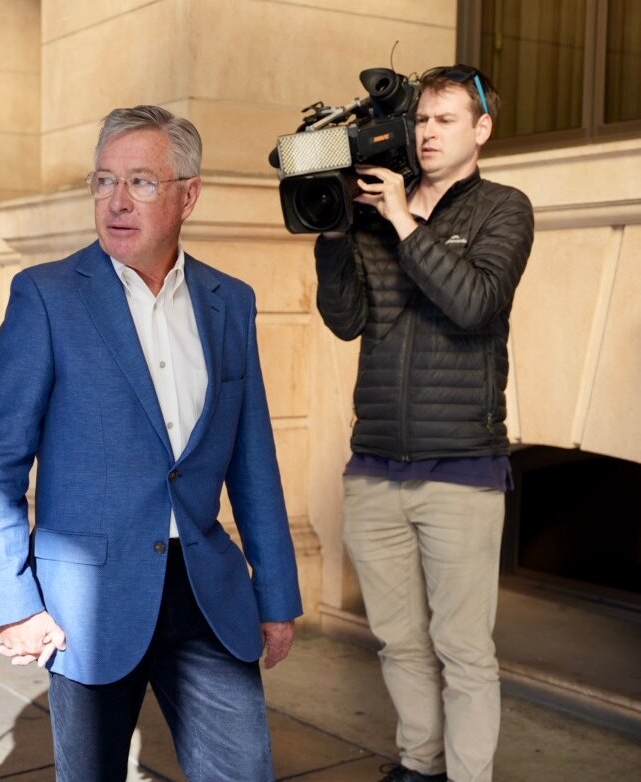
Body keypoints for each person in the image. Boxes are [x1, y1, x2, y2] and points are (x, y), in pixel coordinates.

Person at [0, 105, 303, 782]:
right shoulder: (47, 296)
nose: (116, 202)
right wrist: (12, 603)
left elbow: (253, 460)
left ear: (189, 193)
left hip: (207, 592)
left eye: (142, 183)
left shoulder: (228, 301)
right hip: (86, 598)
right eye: (103, 182)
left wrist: (276, 595)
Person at [314, 65, 533, 782]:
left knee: (463, 649)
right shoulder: (377, 214)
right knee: (399, 642)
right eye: (422, 120)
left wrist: (407, 219)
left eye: (445, 119)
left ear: (481, 130)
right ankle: (419, 764)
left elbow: (474, 304)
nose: (428, 133)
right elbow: (346, 321)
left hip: (462, 468)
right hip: (375, 463)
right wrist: (335, 231)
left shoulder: (504, 208)